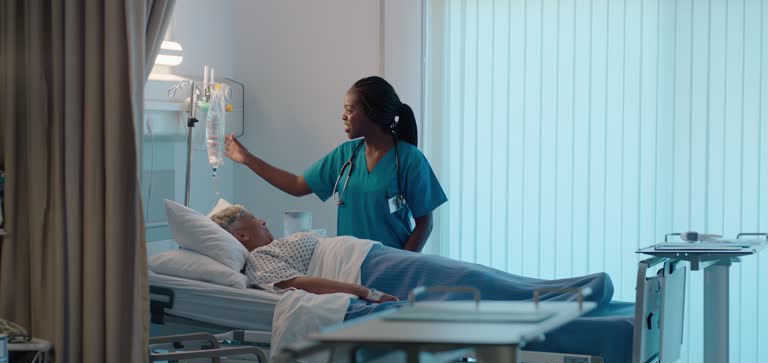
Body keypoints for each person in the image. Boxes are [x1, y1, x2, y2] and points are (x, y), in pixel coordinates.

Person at [210, 205, 614, 307]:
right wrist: (361, 291)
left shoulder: (272, 246)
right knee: (471, 283)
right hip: (373, 271)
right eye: (255, 220)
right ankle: (570, 298)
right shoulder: (260, 262)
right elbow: (299, 285)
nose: (265, 220)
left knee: (474, 273)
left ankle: (570, 289)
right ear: (242, 234)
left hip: (377, 256)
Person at [224, 76, 447, 252]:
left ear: (373, 113)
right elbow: (296, 185)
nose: (343, 116)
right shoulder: (345, 155)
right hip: (349, 265)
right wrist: (247, 159)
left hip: (392, 264)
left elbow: (424, 223)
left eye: (350, 110)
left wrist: (402, 264)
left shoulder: (410, 160)